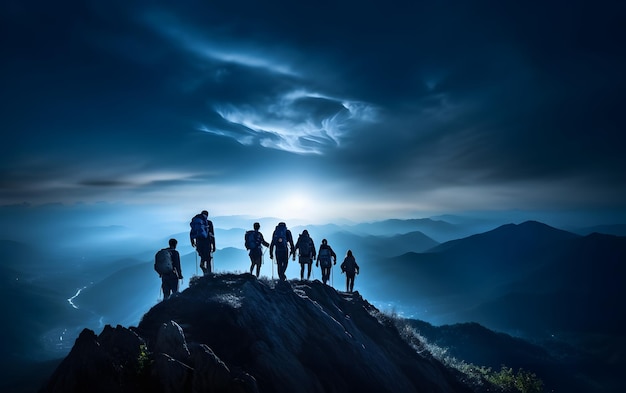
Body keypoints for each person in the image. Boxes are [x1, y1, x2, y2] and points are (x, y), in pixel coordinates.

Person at [190, 210, 215, 275]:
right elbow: (212, 235)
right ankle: (209, 274)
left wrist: (192, 241)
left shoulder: (197, 224)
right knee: (208, 259)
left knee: (203, 257)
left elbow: (192, 232)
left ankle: (203, 269)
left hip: (199, 243)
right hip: (207, 243)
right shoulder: (209, 223)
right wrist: (214, 245)